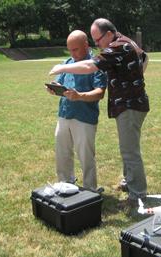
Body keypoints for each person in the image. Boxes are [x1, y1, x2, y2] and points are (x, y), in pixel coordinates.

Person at [49, 19, 149, 207]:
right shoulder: (126, 42)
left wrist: (61, 67)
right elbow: (144, 57)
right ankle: (129, 183)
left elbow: (89, 66)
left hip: (129, 106)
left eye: (98, 39)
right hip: (128, 104)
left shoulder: (118, 46)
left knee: (129, 151)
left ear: (109, 34)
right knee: (126, 148)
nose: (97, 44)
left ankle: (138, 195)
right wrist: (135, 79)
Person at [47, 30, 107, 191]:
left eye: (76, 49)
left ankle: (90, 190)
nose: (72, 54)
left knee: (86, 156)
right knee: (62, 153)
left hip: (85, 117)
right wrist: (55, 88)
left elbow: (100, 93)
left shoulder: (96, 63)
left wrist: (79, 96)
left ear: (86, 45)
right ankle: (65, 185)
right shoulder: (68, 62)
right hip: (65, 114)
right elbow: (60, 82)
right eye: (70, 50)